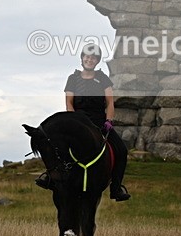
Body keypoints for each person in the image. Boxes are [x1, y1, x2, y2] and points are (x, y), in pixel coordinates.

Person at [35, 43, 130, 201]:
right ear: (82, 58)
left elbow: (110, 102)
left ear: (97, 61)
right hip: (78, 123)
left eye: (93, 57)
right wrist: (73, 122)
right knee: (57, 148)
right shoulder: (72, 79)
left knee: (121, 150)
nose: (89, 59)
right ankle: (50, 178)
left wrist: (109, 121)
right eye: (87, 56)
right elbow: (69, 103)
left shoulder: (103, 79)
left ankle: (116, 188)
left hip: (99, 122)